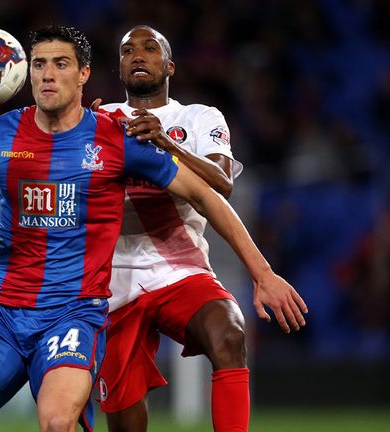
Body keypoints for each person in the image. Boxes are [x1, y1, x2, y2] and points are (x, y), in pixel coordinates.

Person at [0, 25, 305, 432]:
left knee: (60, 421)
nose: (48, 74)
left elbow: (208, 192)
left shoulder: (119, 137)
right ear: (24, 72)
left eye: (60, 64)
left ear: (83, 75)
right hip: (2, 305)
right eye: (39, 64)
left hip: (76, 308)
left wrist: (262, 272)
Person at [95, 26, 308, 432]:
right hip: (111, 280)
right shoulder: (98, 120)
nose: (138, 55)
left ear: (169, 65)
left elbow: (222, 183)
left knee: (229, 333)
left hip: (182, 270)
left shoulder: (198, 117)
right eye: (127, 50)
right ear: (118, 67)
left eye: (150, 48)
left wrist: (167, 145)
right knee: (124, 418)